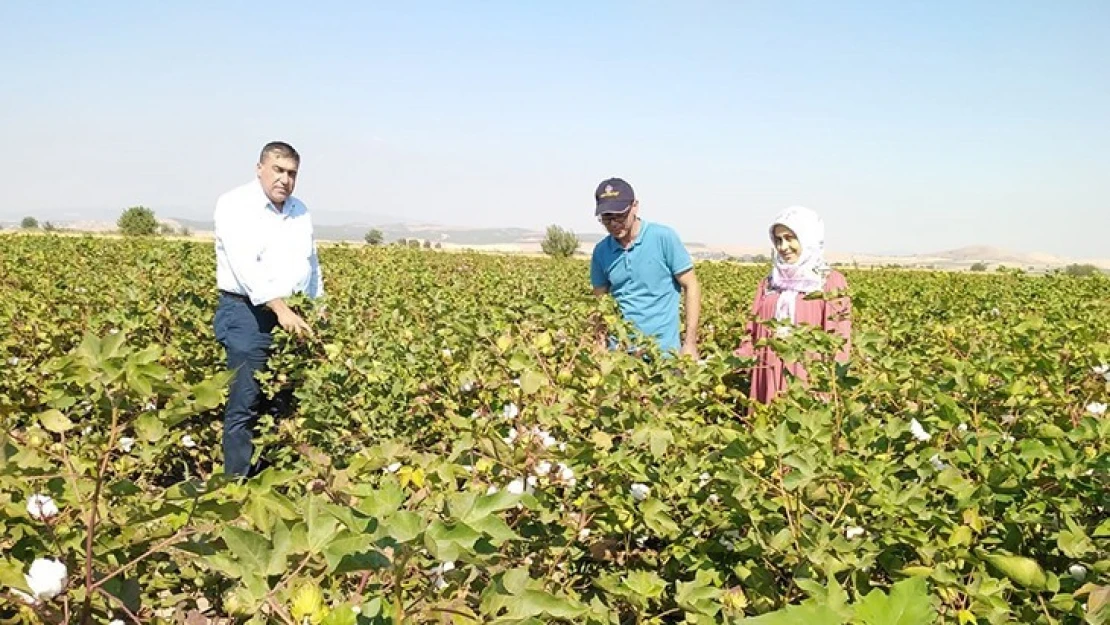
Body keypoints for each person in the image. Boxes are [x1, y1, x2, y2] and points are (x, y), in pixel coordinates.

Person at [212, 141, 324, 478]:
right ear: (260, 168)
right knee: (245, 403)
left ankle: (272, 479)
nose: (285, 180)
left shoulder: (299, 210)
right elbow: (246, 265)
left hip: (292, 315)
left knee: (282, 402)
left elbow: (311, 263)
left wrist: (319, 307)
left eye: (292, 173)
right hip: (248, 314)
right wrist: (280, 308)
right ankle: (237, 488)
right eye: (278, 170)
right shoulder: (235, 204)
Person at [735, 206, 851, 404]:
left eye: (790, 238)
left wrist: (828, 386)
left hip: (808, 380)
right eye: (778, 240)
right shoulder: (769, 283)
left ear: (808, 238)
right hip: (767, 375)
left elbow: (839, 341)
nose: (783, 246)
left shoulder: (829, 282)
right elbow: (751, 335)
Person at [590, 177, 701, 358]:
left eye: (619, 216)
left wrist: (690, 342)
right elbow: (600, 302)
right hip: (621, 356)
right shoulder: (601, 251)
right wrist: (600, 342)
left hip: (664, 354)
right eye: (606, 219)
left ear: (635, 206)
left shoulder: (663, 237)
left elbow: (692, 286)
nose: (614, 224)